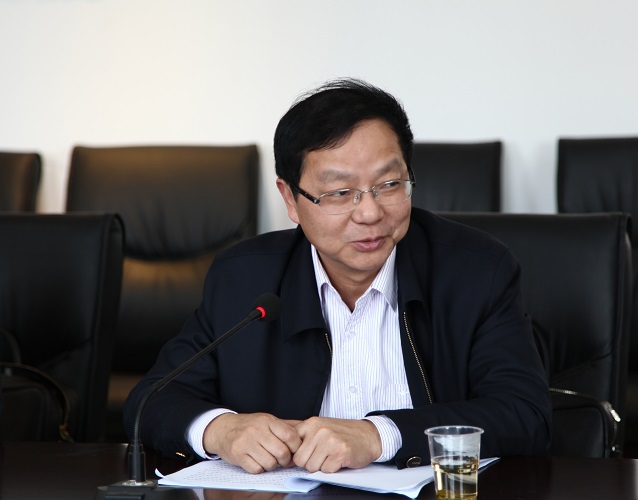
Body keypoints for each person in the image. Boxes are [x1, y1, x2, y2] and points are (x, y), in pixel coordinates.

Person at [124, 78, 551, 474]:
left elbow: (524, 415)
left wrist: (379, 435)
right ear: (290, 199)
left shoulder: (477, 271)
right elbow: (151, 401)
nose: (370, 212)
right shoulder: (243, 278)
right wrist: (221, 429)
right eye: (340, 193)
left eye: (389, 184)